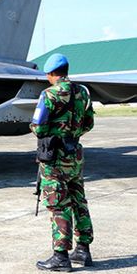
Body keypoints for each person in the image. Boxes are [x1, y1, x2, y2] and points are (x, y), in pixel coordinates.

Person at [30, 53, 95, 271]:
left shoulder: (49, 94)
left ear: (51, 74)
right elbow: (89, 123)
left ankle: (61, 257)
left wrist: (53, 133)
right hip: (74, 155)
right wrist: (72, 133)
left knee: (58, 204)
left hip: (55, 158)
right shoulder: (82, 92)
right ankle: (83, 250)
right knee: (78, 201)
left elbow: (38, 127)